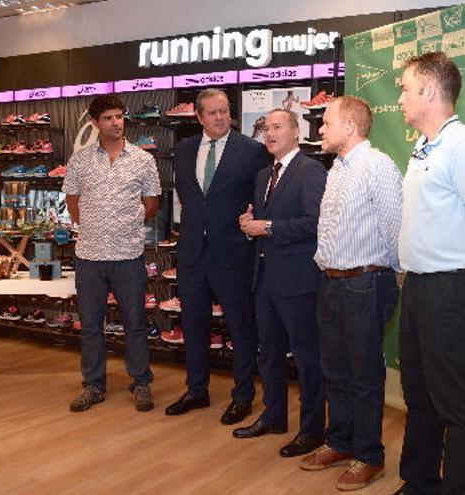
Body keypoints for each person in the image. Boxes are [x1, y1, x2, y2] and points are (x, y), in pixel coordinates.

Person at [394, 51, 465, 495]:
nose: (401, 97)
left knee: (456, 405)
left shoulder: (463, 145)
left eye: (405, 88)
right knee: (419, 395)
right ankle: (419, 483)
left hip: (453, 288)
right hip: (421, 288)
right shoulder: (425, 146)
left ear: (428, 91)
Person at [300, 96, 403, 491]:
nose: (320, 130)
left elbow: (396, 227)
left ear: (349, 126)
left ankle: (369, 456)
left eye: (326, 123)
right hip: (330, 281)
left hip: (365, 282)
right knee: (336, 370)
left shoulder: (377, 166)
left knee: (364, 375)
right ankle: (341, 442)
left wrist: (394, 278)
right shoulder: (337, 168)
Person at [165, 89, 270, 425]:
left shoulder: (252, 151)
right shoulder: (183, 151)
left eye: (225, 111)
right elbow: (189, 197)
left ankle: (243, 396)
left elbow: (259, 199)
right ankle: (197, 389)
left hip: (233, 252)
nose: (221, 117)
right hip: (193, 253)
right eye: (212, 113)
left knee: (241, 327)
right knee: (193, 325)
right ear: (199, 117)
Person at [235, 109, 327, 458]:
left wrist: (267, 226)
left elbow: (316, 224)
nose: (269, 134)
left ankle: (312, 430)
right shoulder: (263, 176)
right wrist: (250, 223)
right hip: (266, 280)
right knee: (269, 355)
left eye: (277, 127)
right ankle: (273, 416)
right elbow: (262, 224)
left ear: (295, 132)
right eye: (266, 129)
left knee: (307, 359)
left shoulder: (311, 171)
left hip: (299, 281)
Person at [64, 94, 161, 413]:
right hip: (89, 256)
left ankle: (141, 382)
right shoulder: (79, 160)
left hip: (128, 256)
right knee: (91, 325)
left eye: (120, 116)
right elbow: (73, 203)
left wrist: (124, 223)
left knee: (135, 322)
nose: (116, 123)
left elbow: (152, 204)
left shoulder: (143, 160)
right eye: (108, 118)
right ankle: (93, 386)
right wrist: (96, 226)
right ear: (95, 122)